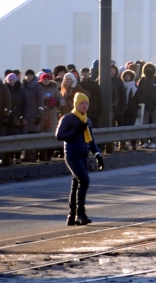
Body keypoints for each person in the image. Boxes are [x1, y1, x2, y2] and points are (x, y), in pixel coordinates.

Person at [55, 92, 103, 226]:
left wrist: (98, 154)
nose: (84, 106)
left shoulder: (87, 120)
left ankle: (72, 215)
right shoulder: (68, 118)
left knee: (76, 184)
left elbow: (91, 139)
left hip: (83, 154)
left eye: (87, 103)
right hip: (72, 154)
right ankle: (80, 213)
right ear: (76, 104)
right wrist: (75, 131)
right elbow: (59, 136)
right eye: (82, 103)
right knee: (84, 180)